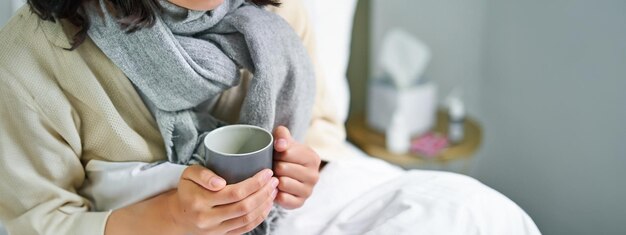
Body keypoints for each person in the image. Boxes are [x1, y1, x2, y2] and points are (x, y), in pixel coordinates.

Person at [0, 0, 541, 234]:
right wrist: (173, 219)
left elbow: (322, 126)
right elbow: (37, 220)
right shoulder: (34, 54)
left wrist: (308, 165)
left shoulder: (276, 14)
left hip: (287, 217)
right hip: (149, 227)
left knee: (476, 215)